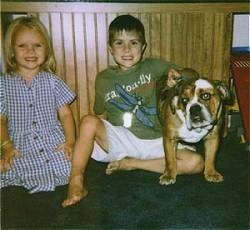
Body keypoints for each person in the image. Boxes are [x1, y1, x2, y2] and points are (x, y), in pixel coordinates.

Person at [62, 14, 204, 207]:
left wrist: (178, 75)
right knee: (88, 121)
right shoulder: (103, 79)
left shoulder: (153, 67)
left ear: (143, 46)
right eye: (119, 43)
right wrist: (87, 137)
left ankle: (132, 164)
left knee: (196, 163)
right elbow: (100, 116)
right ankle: (76, 179)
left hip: (159, 141)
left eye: (134, 42)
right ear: (110, 48)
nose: (127, 49)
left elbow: (192, 75)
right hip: (123, 139)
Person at [0, 16, 76, 193]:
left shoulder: (53, 81)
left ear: (46, 49)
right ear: (11, 50)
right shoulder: (3, 85)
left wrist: (71, 141)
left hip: (52, 141)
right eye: (22, 46)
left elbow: (65, 114)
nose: (31, 51)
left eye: (37, 45)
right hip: (19, 144)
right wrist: (6, 146)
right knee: (11, 166)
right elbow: (1, 120)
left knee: (70, 165)